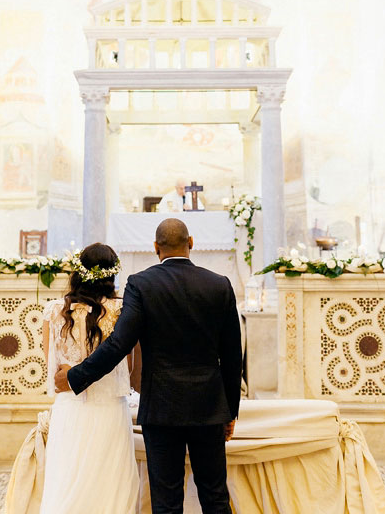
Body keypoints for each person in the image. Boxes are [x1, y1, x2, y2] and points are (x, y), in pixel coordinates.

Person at [54, 218, 241, 514]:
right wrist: (230, 411)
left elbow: (119, 344)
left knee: (166, 502)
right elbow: (233, 356)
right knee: (215, 496)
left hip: (162, 409)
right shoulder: (219, 285)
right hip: (208, 407)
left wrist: (76, 377)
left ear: (155, 247)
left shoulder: (141, 284)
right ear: (191, 242)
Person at [40, 243, 139, 513]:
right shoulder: (122, 311)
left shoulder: (54, 310)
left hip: (70, 406)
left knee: (68, 478)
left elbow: (52, 366)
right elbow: (129, 365)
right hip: (110, 408)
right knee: (110, 482)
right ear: (111, 276)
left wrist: (73, 367)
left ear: (79, 271)